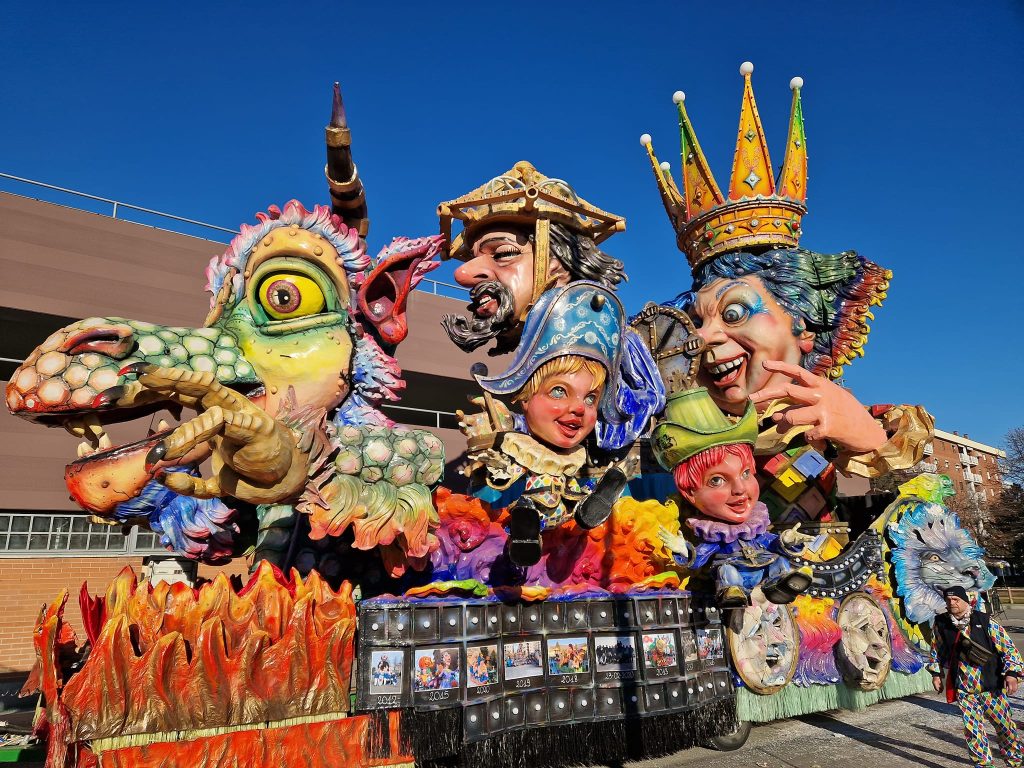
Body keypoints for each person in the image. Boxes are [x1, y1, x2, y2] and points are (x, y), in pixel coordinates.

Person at [461, 282, 632, 566]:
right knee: (523, 504)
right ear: (525, 396)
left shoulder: (582, 459)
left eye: (590, 399)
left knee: (586, 487)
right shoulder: (515, 446)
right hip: (518, 545)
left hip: (574, 547)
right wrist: (492, 472)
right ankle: (525, 529)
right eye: (559, 391)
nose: (579, 408)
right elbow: (485, 497)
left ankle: (589, 509)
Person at [653, 387, 814, 607]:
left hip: (763, 567)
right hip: (734, 571)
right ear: (690, 493)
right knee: (726, 571)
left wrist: (786, 542)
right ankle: (731, 591)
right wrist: (683, 549)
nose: (739, 489)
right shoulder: (714, 534)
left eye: (745, 473)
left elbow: (771, 543)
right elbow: (699, 557)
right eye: (717, 480)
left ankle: (781, 583)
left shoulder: (755, 526)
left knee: (779, 563)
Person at [929, 585, 1023, 768]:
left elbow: (1009, 649)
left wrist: (1012, 674)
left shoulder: (985, 620)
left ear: (965, 600)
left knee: (1005, 728)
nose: (951, 603)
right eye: (948, 600)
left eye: (956, 599)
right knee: (973, 731)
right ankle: (983, 764)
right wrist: (936, 673)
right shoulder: (941, 623)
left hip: (991, 687)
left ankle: (1015, 760)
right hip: (965, 689)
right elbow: (936, 649)